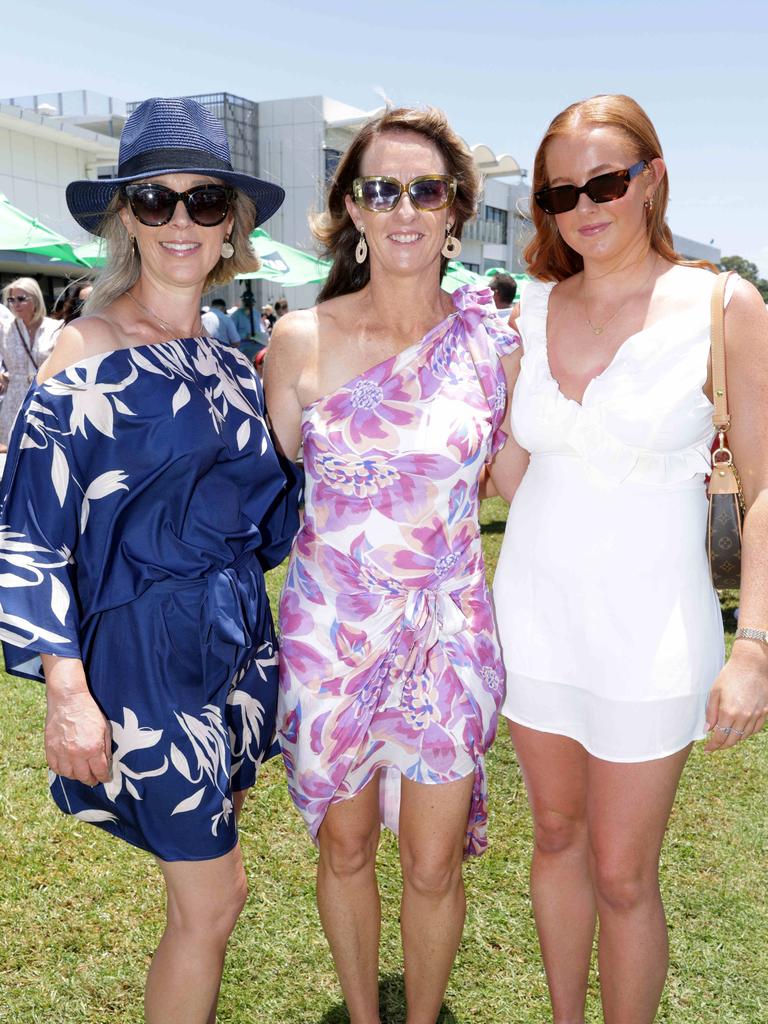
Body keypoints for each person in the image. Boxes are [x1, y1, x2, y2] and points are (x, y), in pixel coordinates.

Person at [0, 96, 297, 1024]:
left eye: (204, 203)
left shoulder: (229, 364)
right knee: (217, 900)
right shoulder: (81, 354)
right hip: (139, 663)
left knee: (196, 903)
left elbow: (269, 525)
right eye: (155, 201)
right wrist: (65, 690)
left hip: (235, 649)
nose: (180, 222)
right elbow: (29, 536)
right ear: (125, 215)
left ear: (230, 226)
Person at [489, 94, 768, 1024]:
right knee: (556, 836)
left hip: (653, 630)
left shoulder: (723, 303)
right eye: (561, 192)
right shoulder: (528, 310)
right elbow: (508, 472)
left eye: (606, 181)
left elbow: (763, 492)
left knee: (621, 872)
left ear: (651, 180)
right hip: (532, 616)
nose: (585, 207)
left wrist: (755, 649)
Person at [265, 107, 519, 1024]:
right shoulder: (299, 339)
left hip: (447, 635)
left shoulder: (495, 343)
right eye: (383, 189)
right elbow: (274, 481)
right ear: (353, 210)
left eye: (427, 189)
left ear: (455, 212)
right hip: (331, 637)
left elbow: (524, 477)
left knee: (433, 858)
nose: (404, 207)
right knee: (344, 845)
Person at [0, 277, 60, 443]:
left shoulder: (55, 328)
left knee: (44, 447)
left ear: (35, 299)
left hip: (45, 396)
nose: (15, 304)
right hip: (14, 398)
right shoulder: (4, 328)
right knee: (15, 449)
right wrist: (3, 375)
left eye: (21, 299)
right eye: (11, 300)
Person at [231, 289, 268, 359]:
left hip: (257, 347)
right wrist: (245, 336)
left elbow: (260, 329)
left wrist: (262, 336)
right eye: (246, 303)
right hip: (242, 349)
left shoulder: (256, 314)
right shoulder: (236, 315)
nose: (248, 305)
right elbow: (231, 334)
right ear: (243, 302)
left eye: (250, 303)